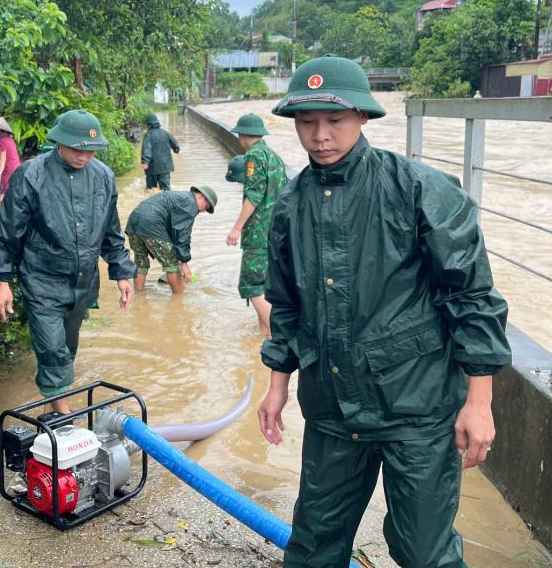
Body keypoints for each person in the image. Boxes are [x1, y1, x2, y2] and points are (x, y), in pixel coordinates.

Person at [257, 54, 512, 568]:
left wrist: (479, 401)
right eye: (307, 122)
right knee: (312, 547)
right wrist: (277, 385)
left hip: (415, 409)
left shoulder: (418, 189)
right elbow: (286, 302)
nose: (320, 136)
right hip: (331, 410)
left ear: (364, 118)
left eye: (334, 120)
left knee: (422, 551)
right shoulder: (289, 206)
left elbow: (471, 295)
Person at [0, 110, 136, 414]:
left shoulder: (103, 177)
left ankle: (51, 410)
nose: (84, 156)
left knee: (67, 350)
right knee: (53, 350)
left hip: (82, 282)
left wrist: (122, 272)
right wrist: (2, 282)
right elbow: (6, 232)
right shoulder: (32, 174)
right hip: (41, 279)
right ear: (60, 142)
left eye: (90, 151)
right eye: (77, 149)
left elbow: (111, 230)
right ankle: (65, 422)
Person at [225, 113, 287, 337]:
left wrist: (237, 228)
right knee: (264, 286)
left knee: (251, 286)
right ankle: (263, 338)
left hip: (259, 233)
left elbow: (254, 195)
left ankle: (275, 335)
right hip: (275, 232)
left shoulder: (253, 156)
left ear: (242, 135)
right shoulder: (274, 157)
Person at [126, 186, 217, 294]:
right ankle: (179, 300)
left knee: (141, 261)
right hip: (152, 223)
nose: (203, 211)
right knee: (172, 264)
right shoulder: (190, 204)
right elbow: (182, 235)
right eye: (206, 206)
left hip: (133, 221)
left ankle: (138, 295)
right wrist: (184, 263)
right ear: (200, 196)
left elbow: (173, 230)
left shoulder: (180, 197)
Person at [140, 112, 179, 191]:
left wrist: (145, 162)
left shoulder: (148, 135)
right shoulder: (165, 133)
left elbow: (146, 149)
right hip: (165, 167)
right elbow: (175, 144)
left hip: (152, 167)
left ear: (148, 124)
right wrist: (176, 149)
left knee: (151, 189)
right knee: (166, 190)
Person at [0, 116, 21, 202]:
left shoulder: (1, 142)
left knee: (2, 198)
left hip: (8, 172)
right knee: (8, 196)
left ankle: (8, 214)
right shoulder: (9, 140)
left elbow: (3, 159)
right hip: (16, 170)